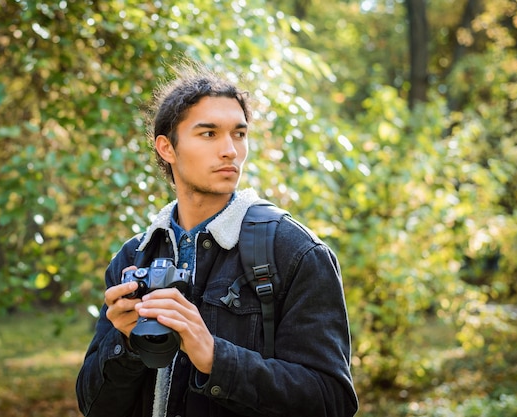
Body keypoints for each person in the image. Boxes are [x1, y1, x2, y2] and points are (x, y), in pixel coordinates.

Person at [76, 61, 358, 417]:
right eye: (209, 134)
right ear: (167, 148)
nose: (230, 151)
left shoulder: (295, 251)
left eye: (239, 134)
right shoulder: (134, 258)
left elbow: (331, 401)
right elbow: (94, 406)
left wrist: (214, 357)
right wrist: (125, 345)